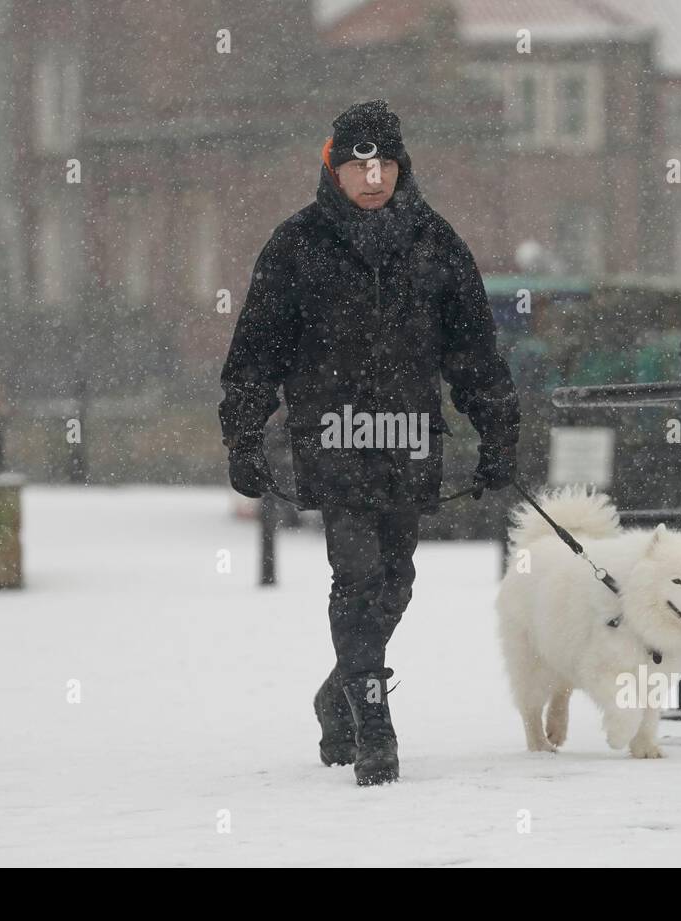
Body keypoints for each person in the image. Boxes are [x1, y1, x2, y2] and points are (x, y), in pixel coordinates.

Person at [218, 99, 520, 786]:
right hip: (331, 434)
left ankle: (341, 689)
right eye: (360, 164)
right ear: (334, 166)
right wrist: (243, 434)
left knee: (395, 580)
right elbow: (256, 353)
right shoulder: (295, 246)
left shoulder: (436, 243)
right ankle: (375, 721)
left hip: (410, 435)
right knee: (355, 574)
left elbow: (473, 351)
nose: (374, 176)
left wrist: (498, 430)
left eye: (384, 163)